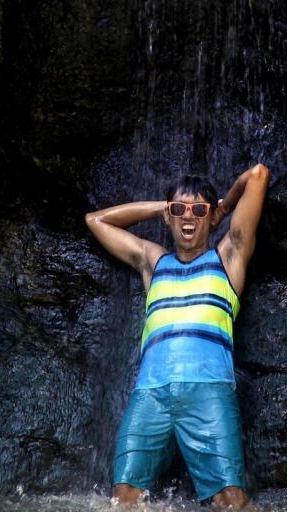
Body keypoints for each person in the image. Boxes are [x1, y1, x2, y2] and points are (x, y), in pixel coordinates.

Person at [85, 162, 270, 508]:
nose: (189, 217)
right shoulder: (152, 262)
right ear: (169, 217)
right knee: (122, 498)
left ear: (211, 218)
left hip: (210, 391)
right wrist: (161, 208)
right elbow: (95, 221)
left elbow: (258, 175)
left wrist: (225, 206)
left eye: (199, 210)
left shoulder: (228, 256)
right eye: (179, 210)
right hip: (150, 394)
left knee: (231, 500)